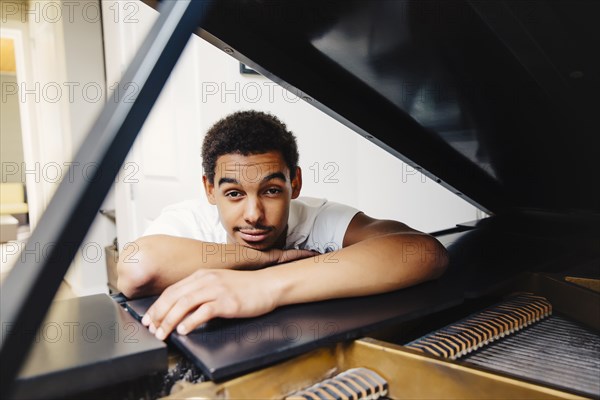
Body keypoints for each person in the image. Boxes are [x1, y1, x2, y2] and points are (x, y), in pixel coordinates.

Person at [117, 110, 448, 341]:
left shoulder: (317, 217)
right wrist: (267, 259)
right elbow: (135, 269)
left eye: (271, 190)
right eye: (233, 194)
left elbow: (423, 252)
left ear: (296, 183)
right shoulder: (189, 220)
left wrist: (264, 287)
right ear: (209, 189)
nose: (253, 214)